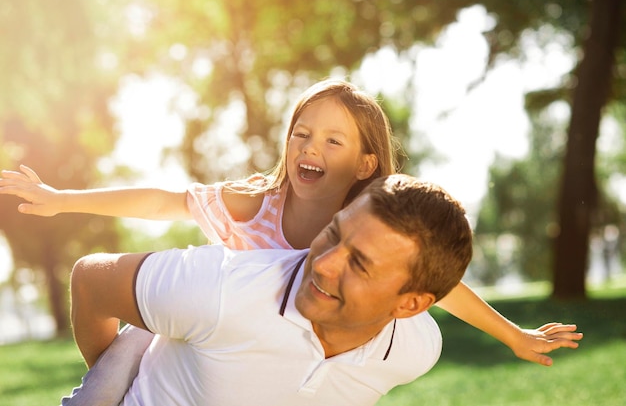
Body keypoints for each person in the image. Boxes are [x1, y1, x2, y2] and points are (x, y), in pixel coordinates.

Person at [0, 80, 583, 404]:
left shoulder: (376, 226)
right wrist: (62, 198)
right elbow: (162, 200)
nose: (311, 148)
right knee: (111, 384)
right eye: (301, 134)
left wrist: (512, 333)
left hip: (265, 355)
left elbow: (438, 287)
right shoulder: (257, 204)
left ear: (366, 162)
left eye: (333, 141)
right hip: (180, 331)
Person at [71, 174, 476, 405]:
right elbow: (91, 281)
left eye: (359, 264)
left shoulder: (415, 350)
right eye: (333, 234)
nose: (324, 262)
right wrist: (108, 381)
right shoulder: (219, 289)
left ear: (410, 304)